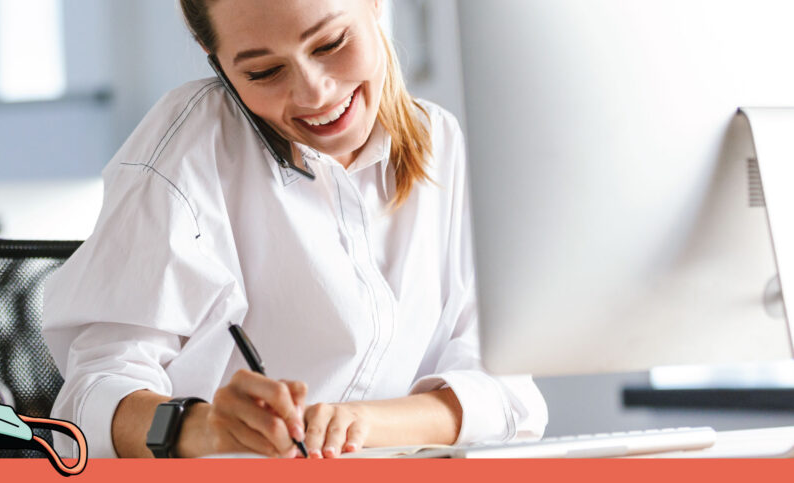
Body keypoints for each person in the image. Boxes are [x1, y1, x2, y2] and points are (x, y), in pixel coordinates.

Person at [42, 0, 547, 459]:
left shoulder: (443, 145)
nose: (314, 92)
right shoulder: (188, 151)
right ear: (213, 57)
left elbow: (506, 395)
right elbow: (88, 405)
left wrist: (357, 425)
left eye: (330, 43)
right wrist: (203, 427)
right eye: (264, 71)